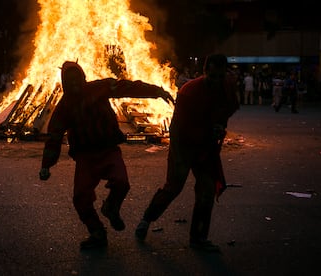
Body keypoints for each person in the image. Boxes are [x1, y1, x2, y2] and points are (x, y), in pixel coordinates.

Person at [38, 60, 174, 250]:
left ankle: (111, 207)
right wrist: (46, 164)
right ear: (64, 83)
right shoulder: (64, 106)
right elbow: (54, 136)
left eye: (77, 79)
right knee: (80, 197)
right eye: (70, 81)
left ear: (83, 77)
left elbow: (127, 87)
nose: (75, 84)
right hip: (85, 156)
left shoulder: (99, 88)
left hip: (108, 149)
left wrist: (156, 91)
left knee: (122, 182)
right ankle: (97, 232)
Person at [134, 54, 239, 252]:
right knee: (173, 187)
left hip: (206, 147)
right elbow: (175, 128)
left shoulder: (227, 87)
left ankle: (198, 238)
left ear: (225, 73)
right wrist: (179, 157)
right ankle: (147, 219)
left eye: (219, 76)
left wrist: (219, 125)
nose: (216, 81)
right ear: (205, 72)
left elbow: (230, 108)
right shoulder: (189, 91)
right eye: (212, 76)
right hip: (184, 145)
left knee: (207, 190)